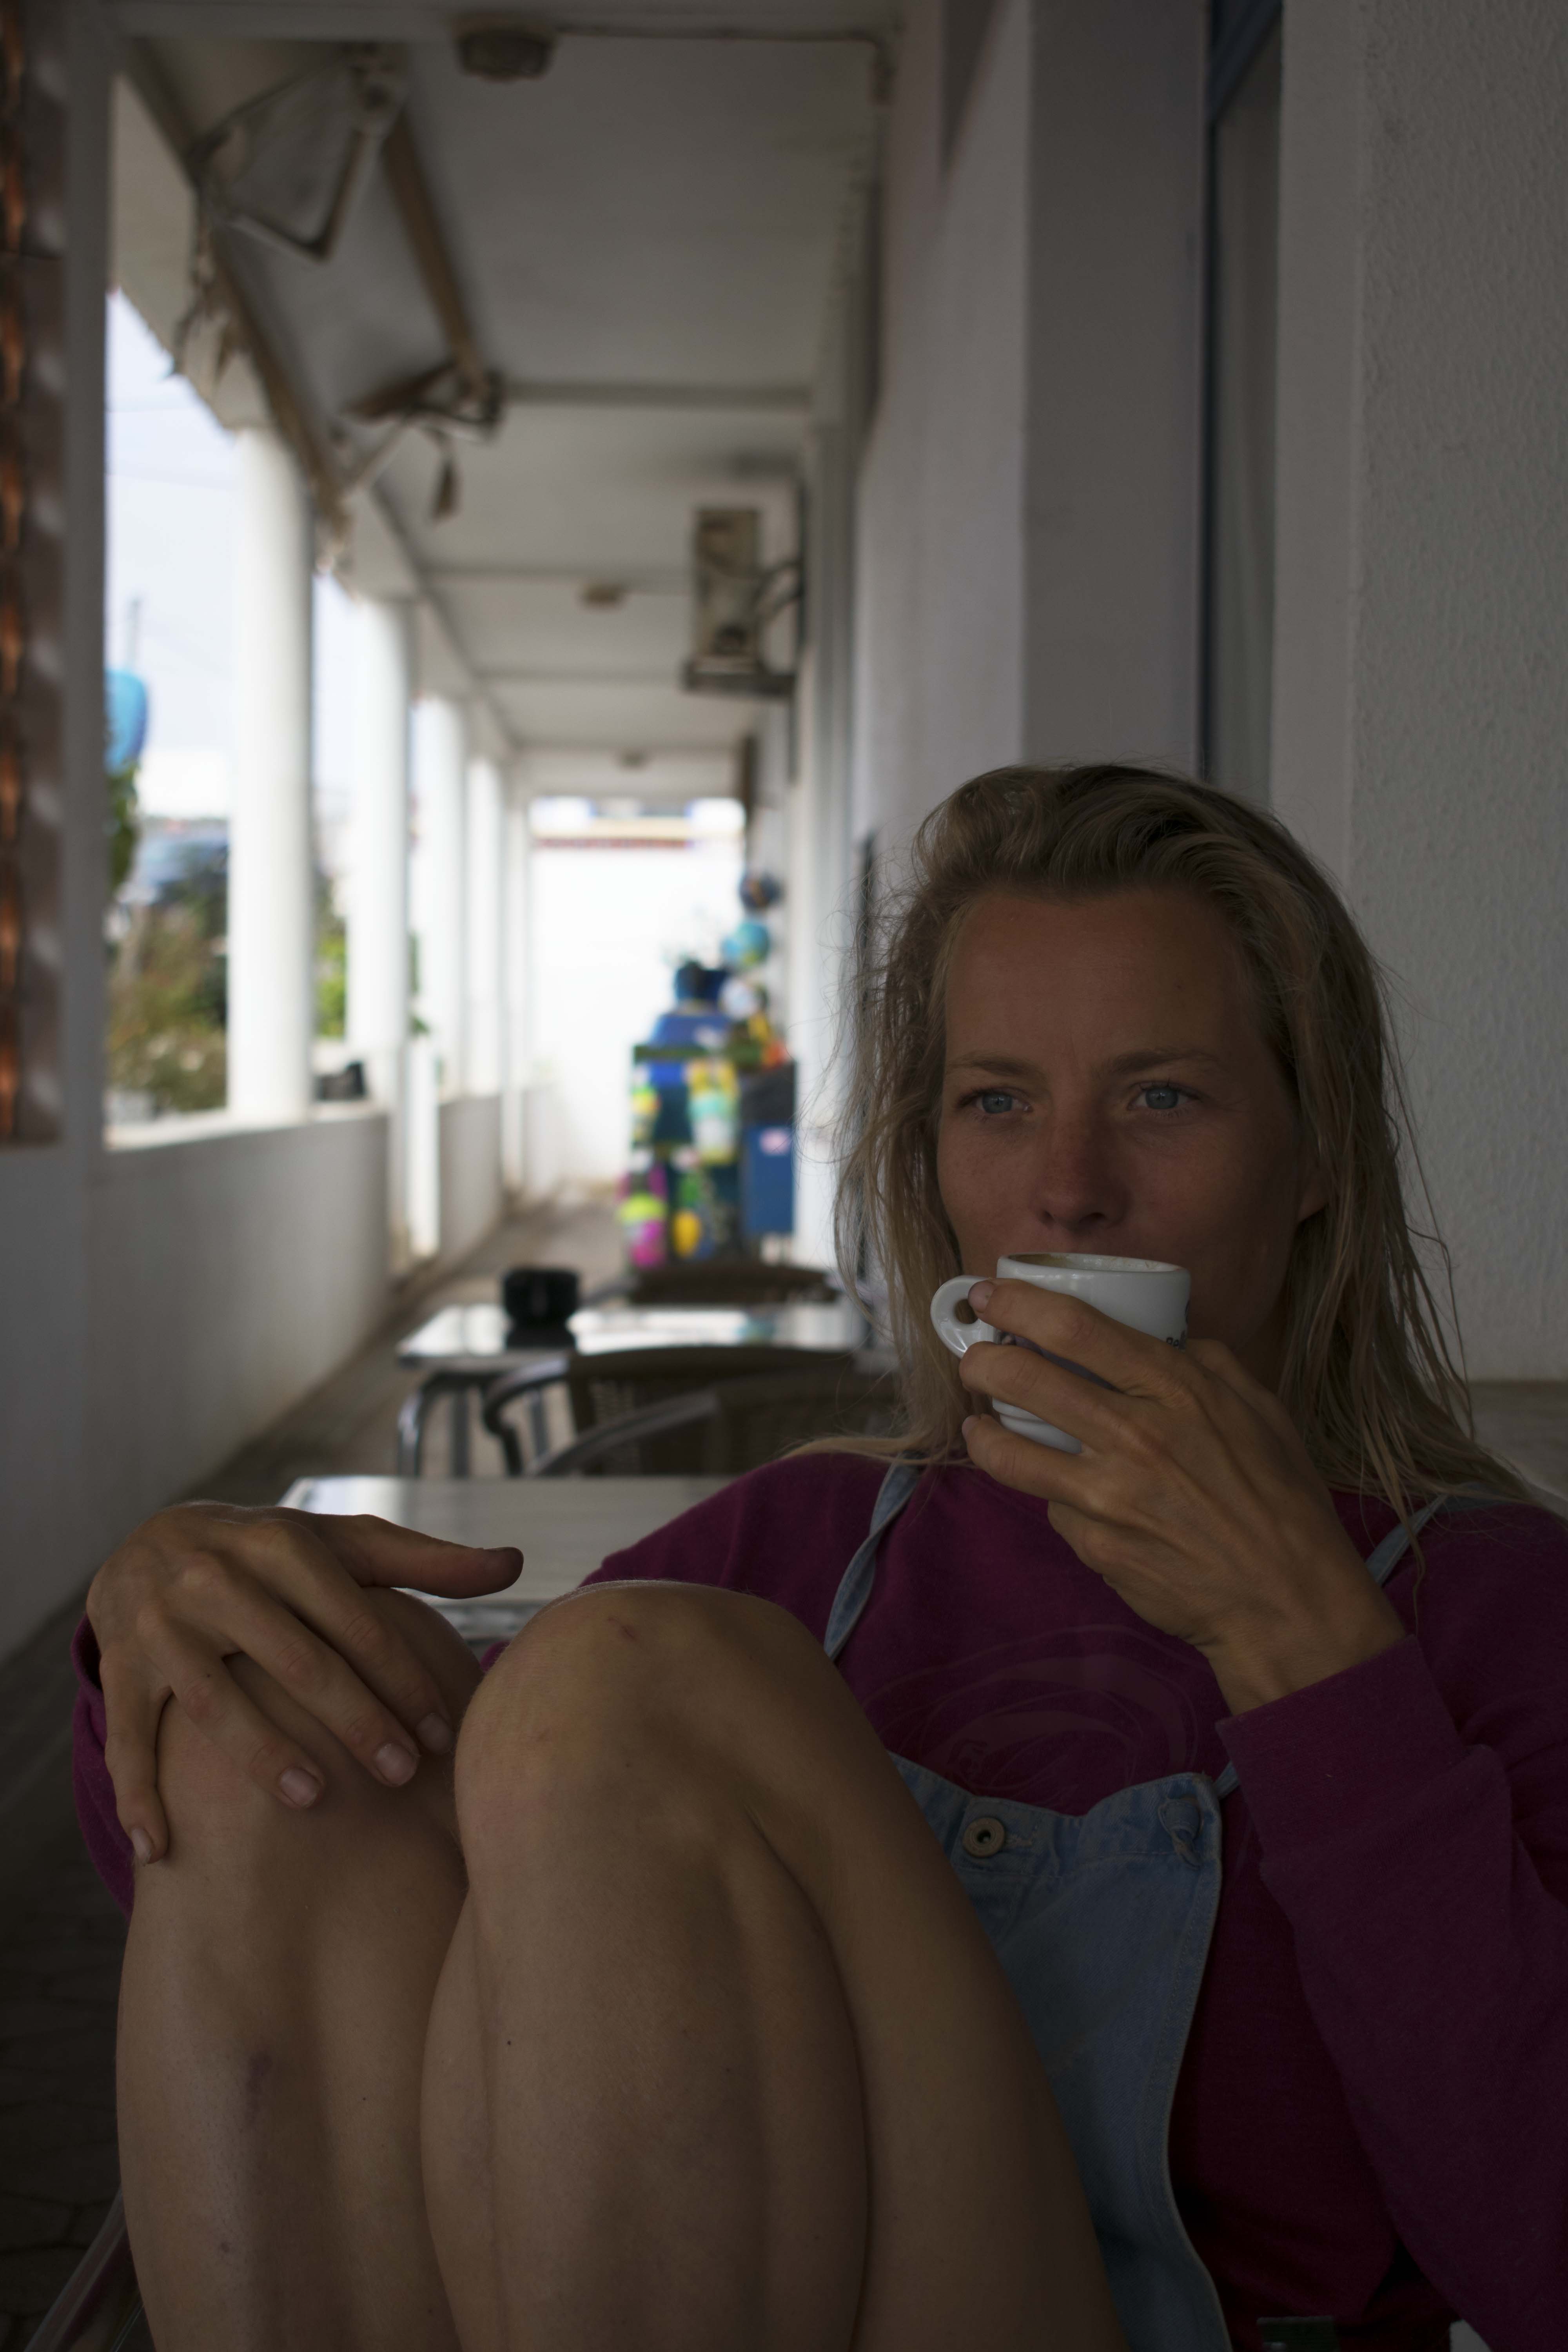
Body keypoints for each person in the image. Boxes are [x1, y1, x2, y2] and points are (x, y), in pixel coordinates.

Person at [72, 766, 1568, 2352]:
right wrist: (182, 1633)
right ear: (928, 1160)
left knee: (626, 1669)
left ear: (1315, 1152)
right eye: (997, 1102)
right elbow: (288, 1886)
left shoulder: (1491, 1603)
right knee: (274, 1722)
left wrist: (1310, 1654)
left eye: (1162, 1098)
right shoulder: (814, 1542)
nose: (1068, 1190)